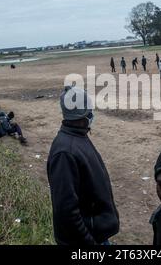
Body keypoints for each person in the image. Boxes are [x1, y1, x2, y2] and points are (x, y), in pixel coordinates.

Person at [47, 86, 120, 245]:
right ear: (83, 115)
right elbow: (66, 212)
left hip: (95, 234)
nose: (91, 115)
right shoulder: (65, 152)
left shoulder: (77, 136)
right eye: (89, 111)